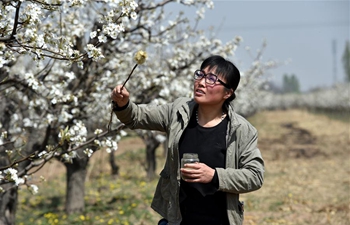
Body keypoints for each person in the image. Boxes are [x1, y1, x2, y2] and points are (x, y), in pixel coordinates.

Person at [110, 55, 264, 225]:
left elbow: (255, 176)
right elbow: (136, 117)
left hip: (219, 220)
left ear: (227, 93)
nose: (202, 82)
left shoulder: (240, 130)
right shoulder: (178, 112)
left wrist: (214, 176)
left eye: (212, 79)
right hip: (178, 220)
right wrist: (123, 104)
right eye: (201, 75)